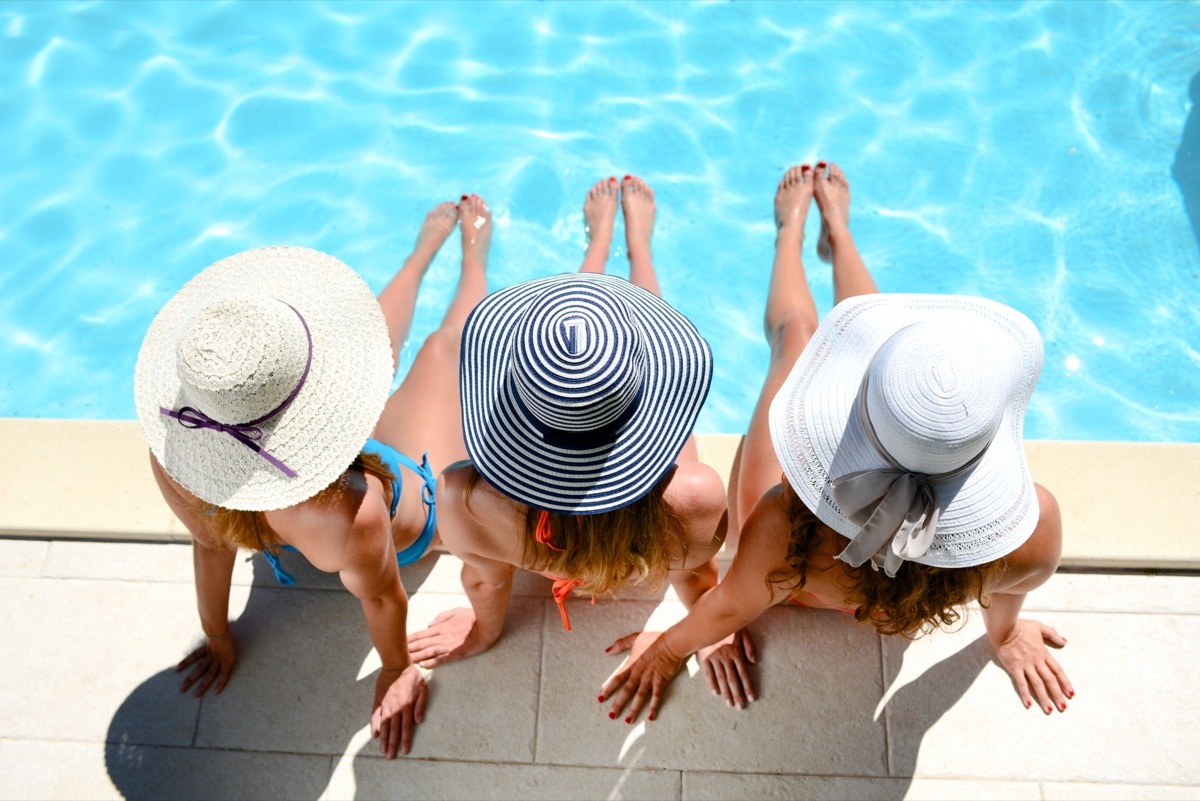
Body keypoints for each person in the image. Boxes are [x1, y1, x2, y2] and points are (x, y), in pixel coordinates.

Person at [599, 163, 1073, 722]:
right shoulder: (1031, 526)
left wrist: (669, 649)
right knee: (896, 347)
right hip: (871, 591)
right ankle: (839, 235)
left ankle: (792, 233)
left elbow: (730, 602)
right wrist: (1007, 635)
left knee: (799, 333)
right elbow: (1008, 590)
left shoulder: (784, 523)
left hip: (804, 566)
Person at [135, 194, 492, 758]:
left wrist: (221, 636)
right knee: (442, 348)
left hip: (356, 485)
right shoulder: (343, 512)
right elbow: (381, 597)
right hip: (387, 486)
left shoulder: (179, 459)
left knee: (402, 341)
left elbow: (211, 544)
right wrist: (396, 667)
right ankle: (469, 253)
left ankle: (431, 255)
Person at [408, 177, 753, 706]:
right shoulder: (695, 498)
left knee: (569, 336)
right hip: (645, 529)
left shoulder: (464, 497)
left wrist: (484, 631)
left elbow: (485, 582)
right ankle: (637, 247)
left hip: (529, 524)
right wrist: (705, 628)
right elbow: (695, 571)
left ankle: (597, 246)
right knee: (610, 344)